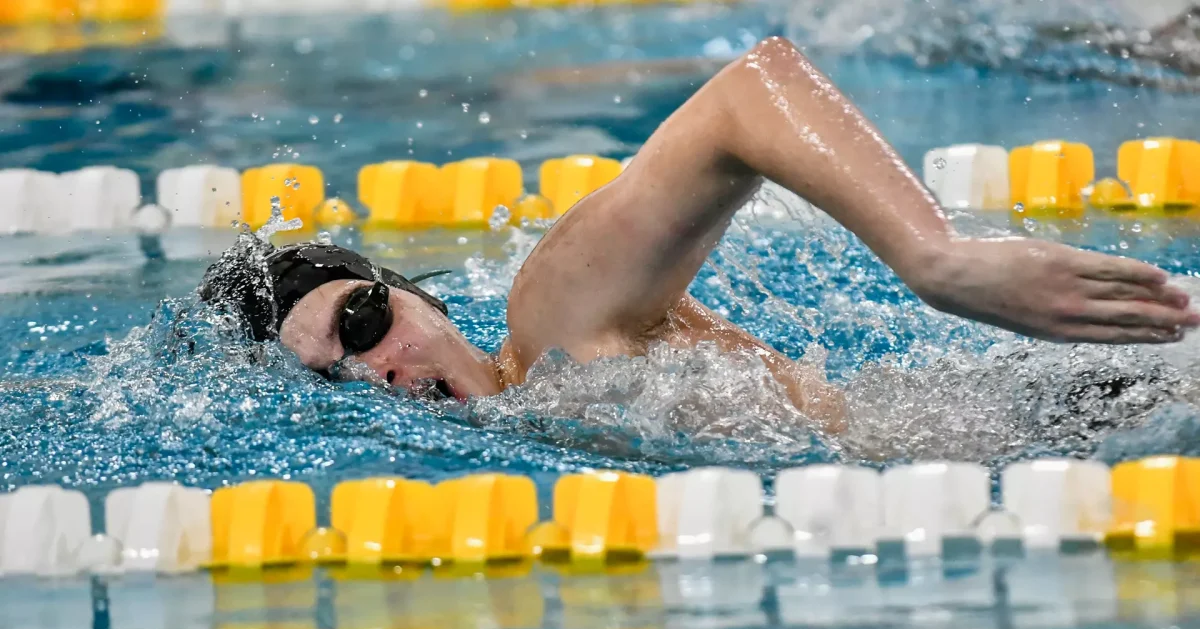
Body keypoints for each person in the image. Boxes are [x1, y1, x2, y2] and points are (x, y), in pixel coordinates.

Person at [199, 37, 1199, 435]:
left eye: (365, 320)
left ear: (413, 292)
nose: (379, 369)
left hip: (1047, 423)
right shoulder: (533, 416)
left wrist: (935, 261)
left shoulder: (549, 317)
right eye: (337, 376)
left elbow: (747, 93)